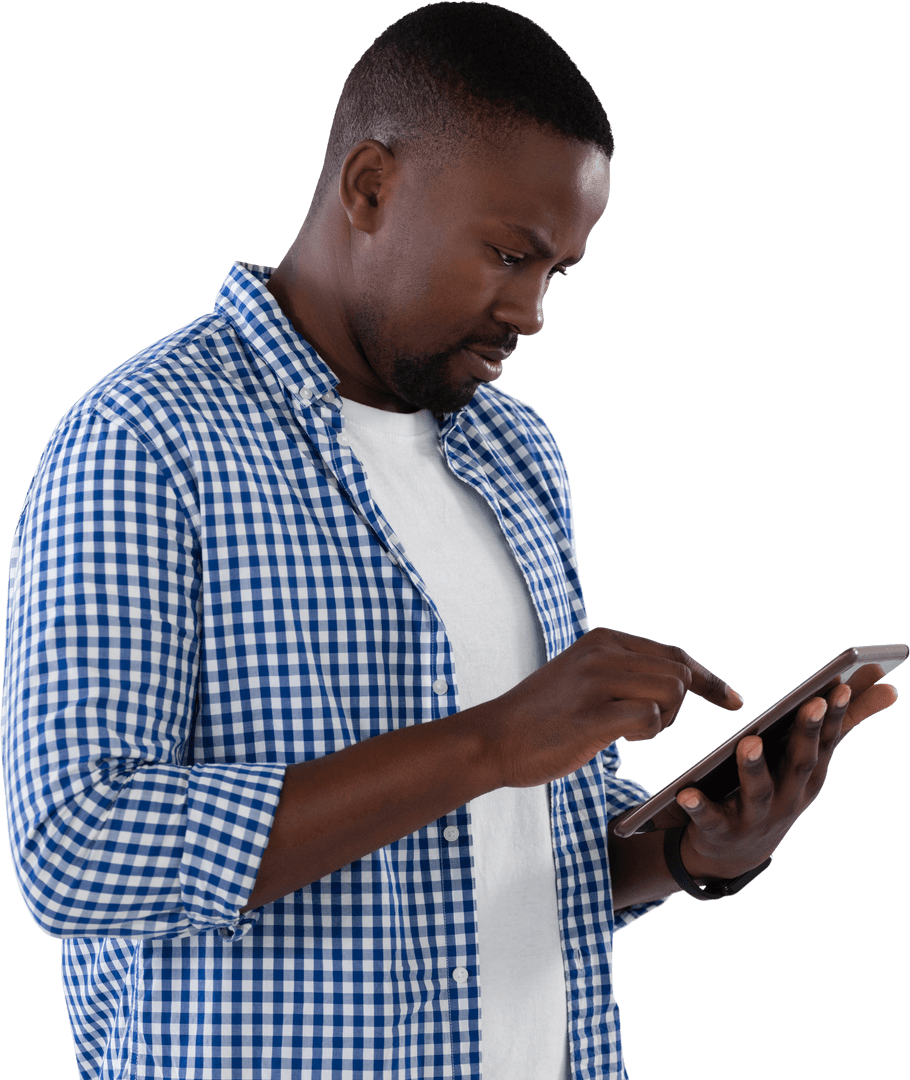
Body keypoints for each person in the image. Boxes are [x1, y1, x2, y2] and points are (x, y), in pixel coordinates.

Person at [1, 4, 897, 1079]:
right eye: (509, 254)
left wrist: (694, 852)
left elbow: (518, 848)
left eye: (556, 272)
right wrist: (488, 742)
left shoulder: (516, 453)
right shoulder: (142, 441)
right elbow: (74, 850)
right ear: (370, 186)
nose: (530, 314)